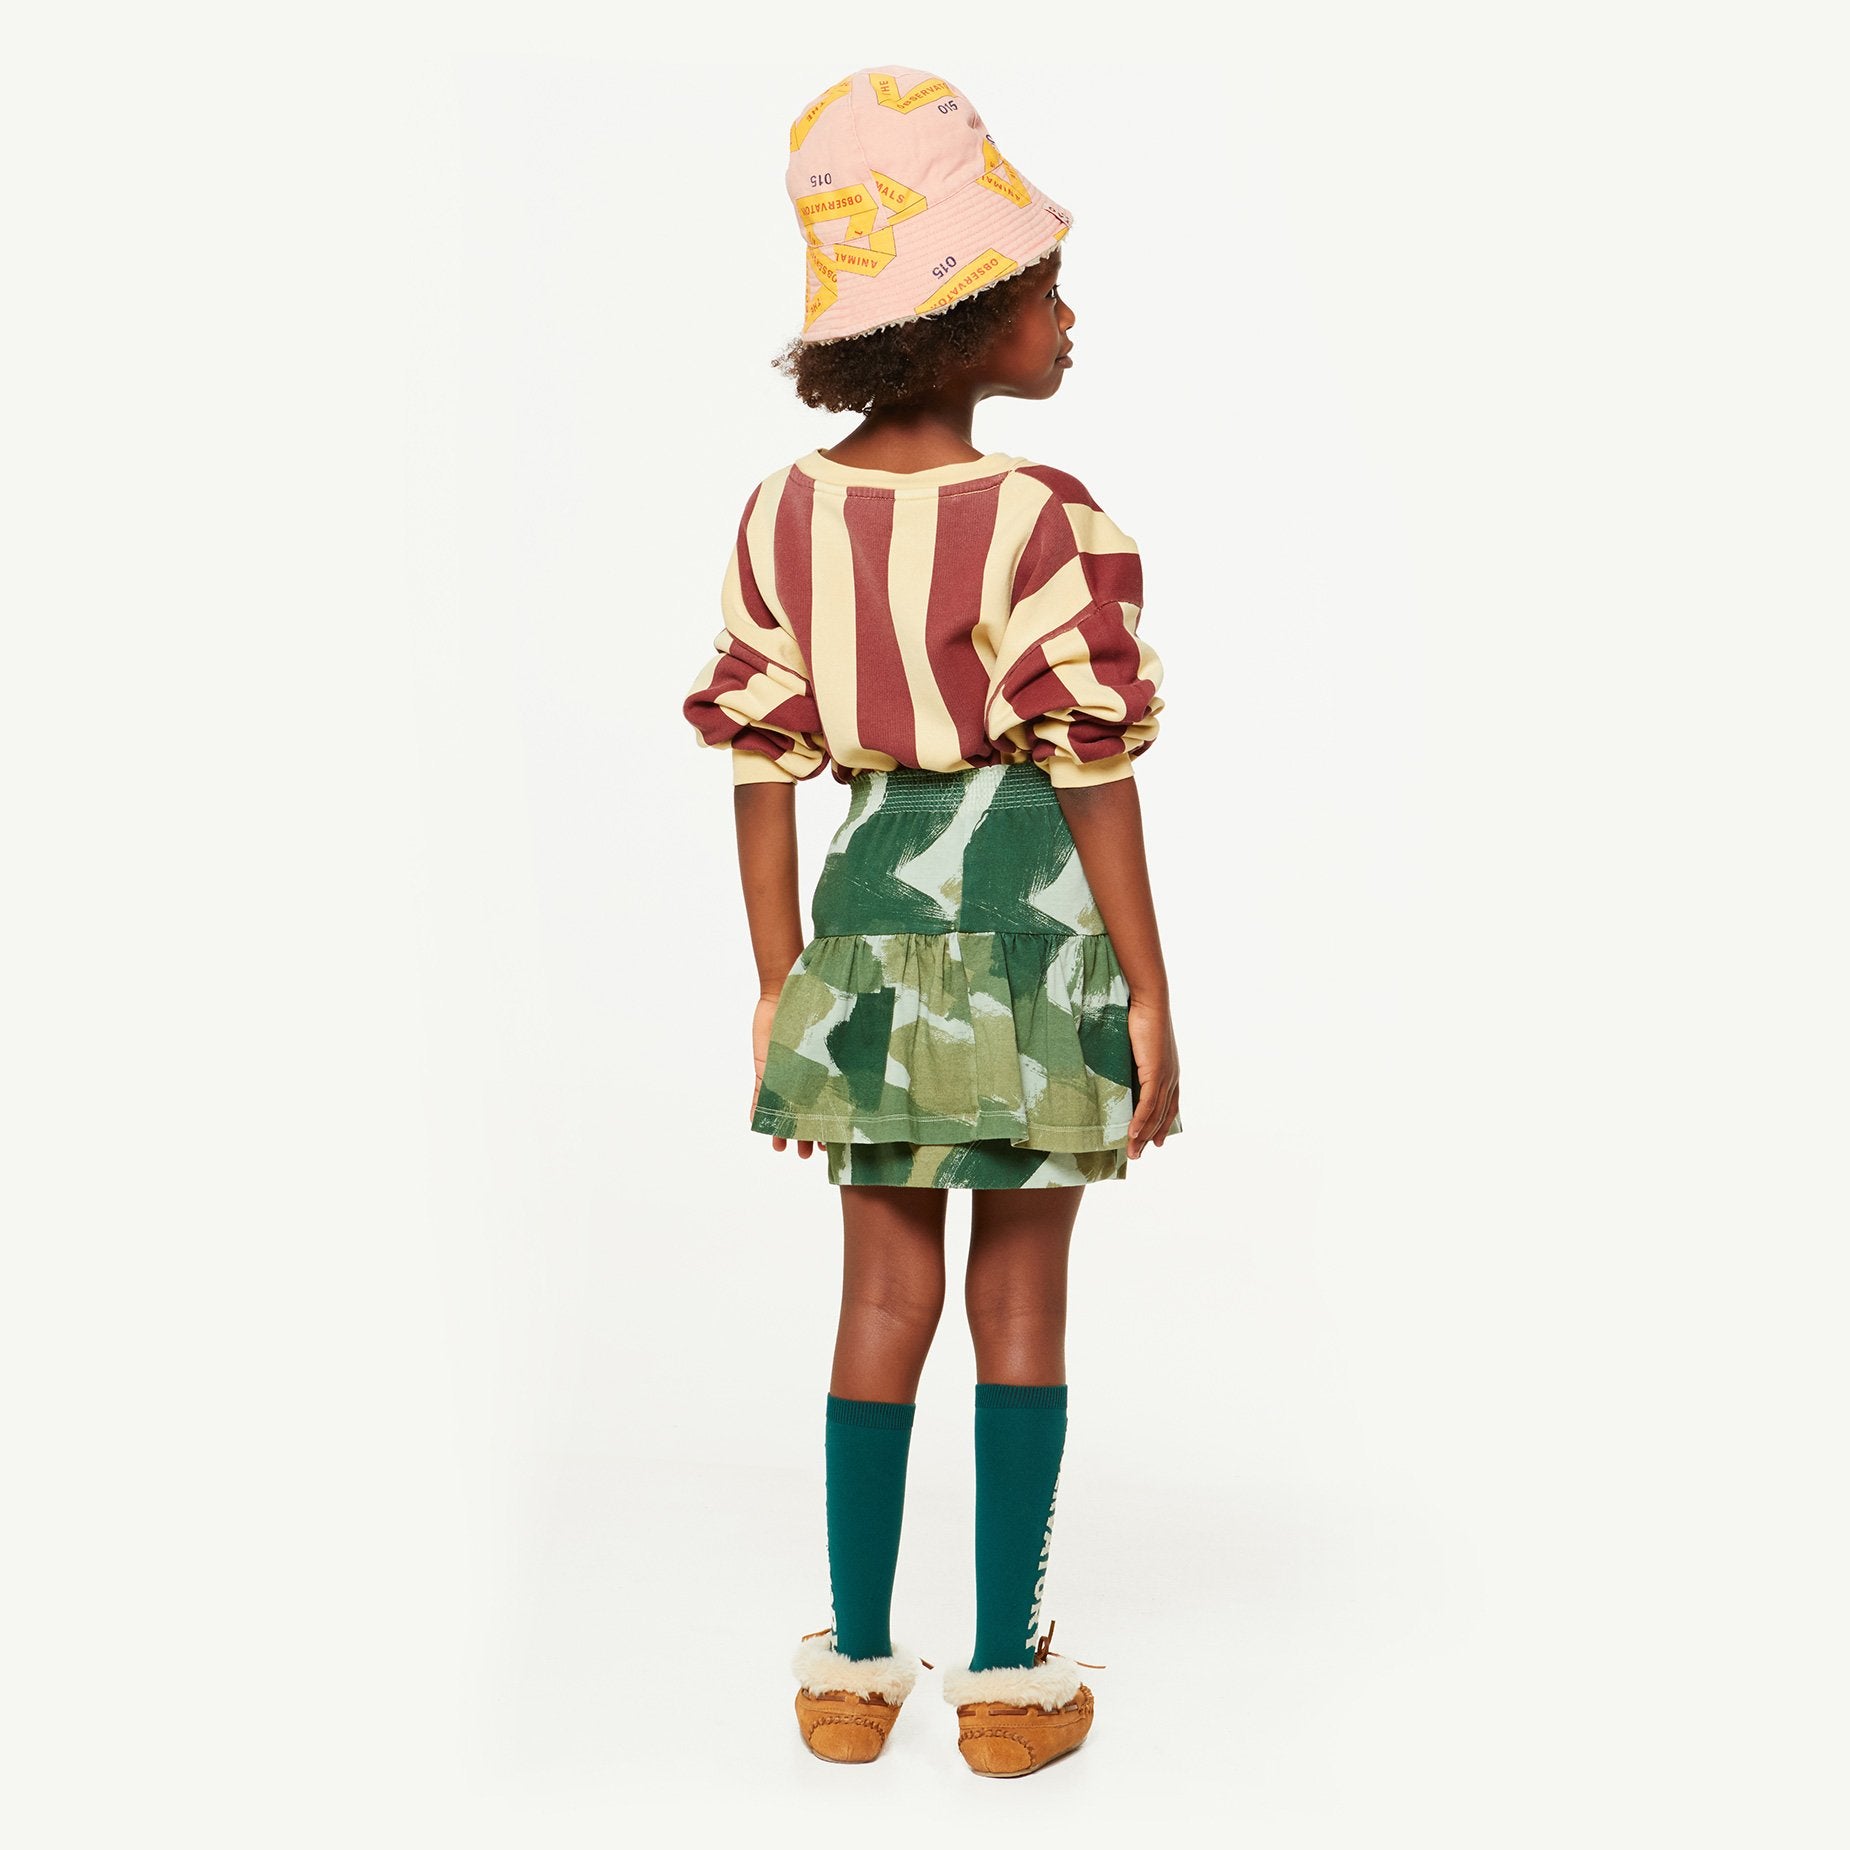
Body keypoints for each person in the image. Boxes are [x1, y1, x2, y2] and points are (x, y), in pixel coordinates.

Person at [681, 65, 1183, 1778]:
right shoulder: (1041, 520)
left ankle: (848, 1670)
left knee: (879, 1293)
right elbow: (1093, 773)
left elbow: (759, 765)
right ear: (966, 316)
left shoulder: (782, 515)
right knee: (1018, 1298)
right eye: (1044, 288)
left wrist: (780, 984)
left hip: (863, 930)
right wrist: (1147, 991)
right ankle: (1005, 1676)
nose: (1067, 318)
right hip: (1031, 930)